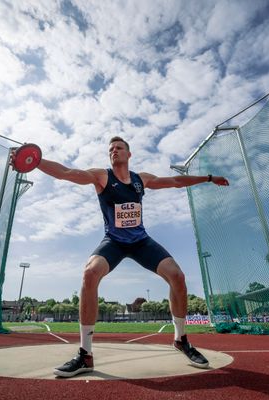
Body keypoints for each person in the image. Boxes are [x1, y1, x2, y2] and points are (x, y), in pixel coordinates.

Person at [24, 136, 229, 377]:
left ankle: (181, 339)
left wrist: (207, 178)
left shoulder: (141, 180)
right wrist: (34, 161)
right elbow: (67, 172)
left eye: (119, 148)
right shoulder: (102, 176)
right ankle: (85, 354)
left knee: (178, 276)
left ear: (128, 154)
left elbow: (174, 181)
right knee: (90, 272)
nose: (114, 151)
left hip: (141, 241)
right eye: (111, 149)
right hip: (114, 242)